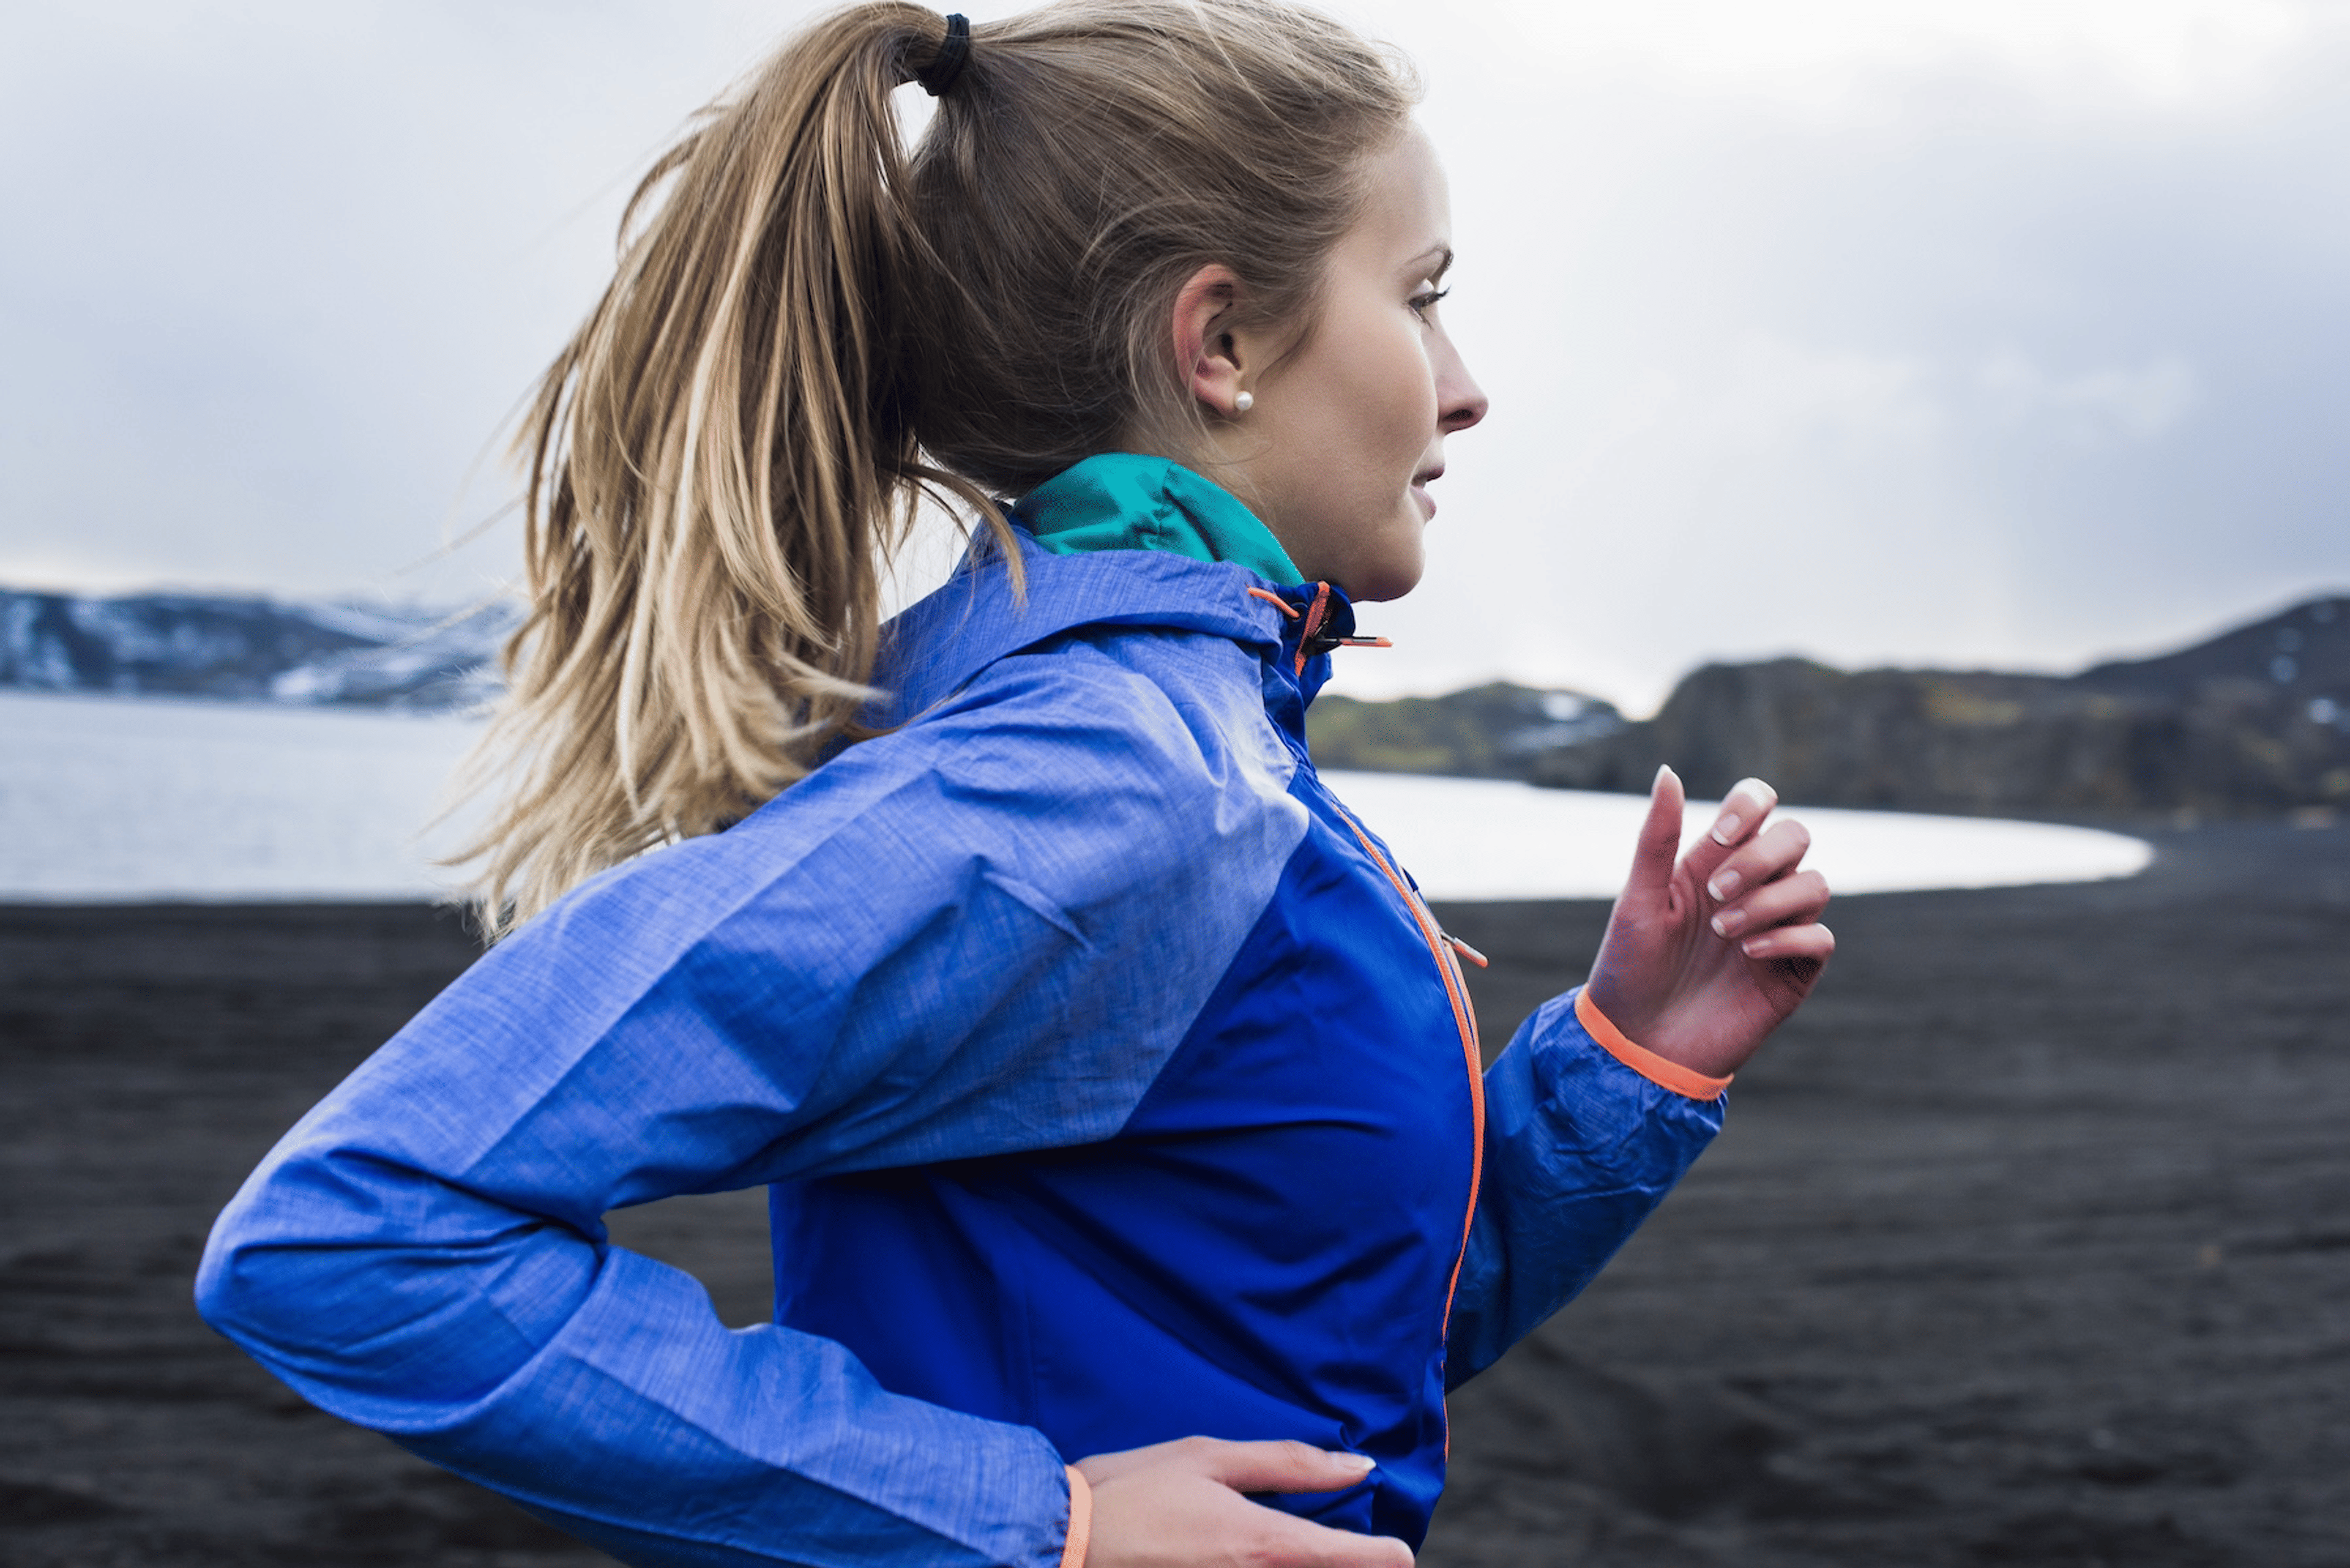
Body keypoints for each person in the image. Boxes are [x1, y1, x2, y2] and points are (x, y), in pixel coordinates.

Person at [196, 4, 1833, 1566]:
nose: (1463, 382)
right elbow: (358, 1235)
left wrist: (1625, 1066)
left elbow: (1302, 1331)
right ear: (1224, 339)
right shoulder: (1102, 785)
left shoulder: (1192, 748)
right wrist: (1026, 1522)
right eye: (1422, 294)